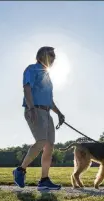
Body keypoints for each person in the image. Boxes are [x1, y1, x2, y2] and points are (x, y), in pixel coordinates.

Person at [13, 46, 65, 190]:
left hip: (47, 112)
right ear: (41, 56)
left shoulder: (47, 76)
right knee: (41, 141)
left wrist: (59, 113)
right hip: (34, 110)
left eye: (54, 56)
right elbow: (27, 88)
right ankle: (20, 170)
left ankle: (44, 180)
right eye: (51, 55)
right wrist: (31, 108)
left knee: (49, 146)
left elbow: (50, 99)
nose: (54, 58)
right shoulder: (32, 69)